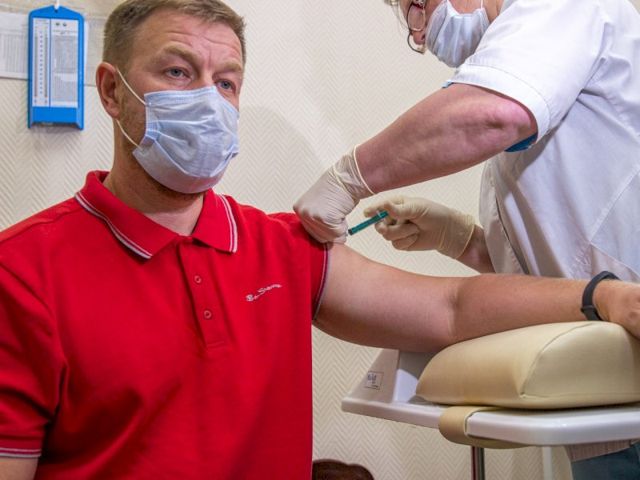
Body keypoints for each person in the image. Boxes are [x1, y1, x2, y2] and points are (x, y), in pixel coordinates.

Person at [0, 1, 639, 479]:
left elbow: (452, 308)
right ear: (112, 91)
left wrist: (602, 296)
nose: (209, 101)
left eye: (226, 82)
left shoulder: (277, 247)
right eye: (177, 70)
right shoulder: (23, 271)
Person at [293, 0, 640, 477]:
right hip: (605, 389)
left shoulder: (564, 8)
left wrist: (349, 177)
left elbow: (493, 113)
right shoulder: (534, 83)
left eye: (417, 7)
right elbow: (554, 278)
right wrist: (459, 239)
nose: (419, 35)